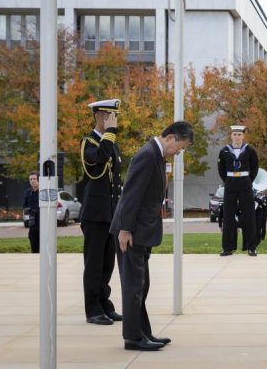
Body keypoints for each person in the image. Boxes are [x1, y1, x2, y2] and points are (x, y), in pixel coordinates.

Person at [111, 120, 193, 351]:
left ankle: (143, 333)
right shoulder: (147, 155)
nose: (179, 152)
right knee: (133, 286)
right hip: (131, 232)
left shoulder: (157, 157)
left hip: (141, 231)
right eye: (180, 147)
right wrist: (125, 230)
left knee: (141, 285)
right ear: (170, 138)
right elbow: (130, 195)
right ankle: (133, 338)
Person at [79, 99, 123, 326]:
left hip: (110, 213)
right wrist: (111, 133)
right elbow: (99, 160)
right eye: (110, 115)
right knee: (94, 264)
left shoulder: (111, 142)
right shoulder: (89, 143)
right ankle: (92, 309)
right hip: (95, 214)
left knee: (107, 264)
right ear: (99, 116)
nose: (113, 120)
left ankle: (104, 304)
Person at [216, 125, 259, 257]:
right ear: (231, 136)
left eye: (239, 134)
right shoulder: (224, 151)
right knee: (228, 215)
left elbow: (255, 167)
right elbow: (221, 169)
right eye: (234, 134)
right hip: (230, 183)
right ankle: (228, 248)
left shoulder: (250, 150)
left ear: (243, 136)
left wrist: (248, 181)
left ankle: (251, 247)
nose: (237, 137)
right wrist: (228, 180)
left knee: (249, 215)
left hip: (245, 182)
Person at [22, 172, 40, 253]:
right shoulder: (27, 192)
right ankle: (34, 257)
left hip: (42, 221)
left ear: (39, 180)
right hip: (32, 221)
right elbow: (24, 206)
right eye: (30, 179)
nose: (32, 181)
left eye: (34, 179)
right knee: (32, 237)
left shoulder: (43, 191)